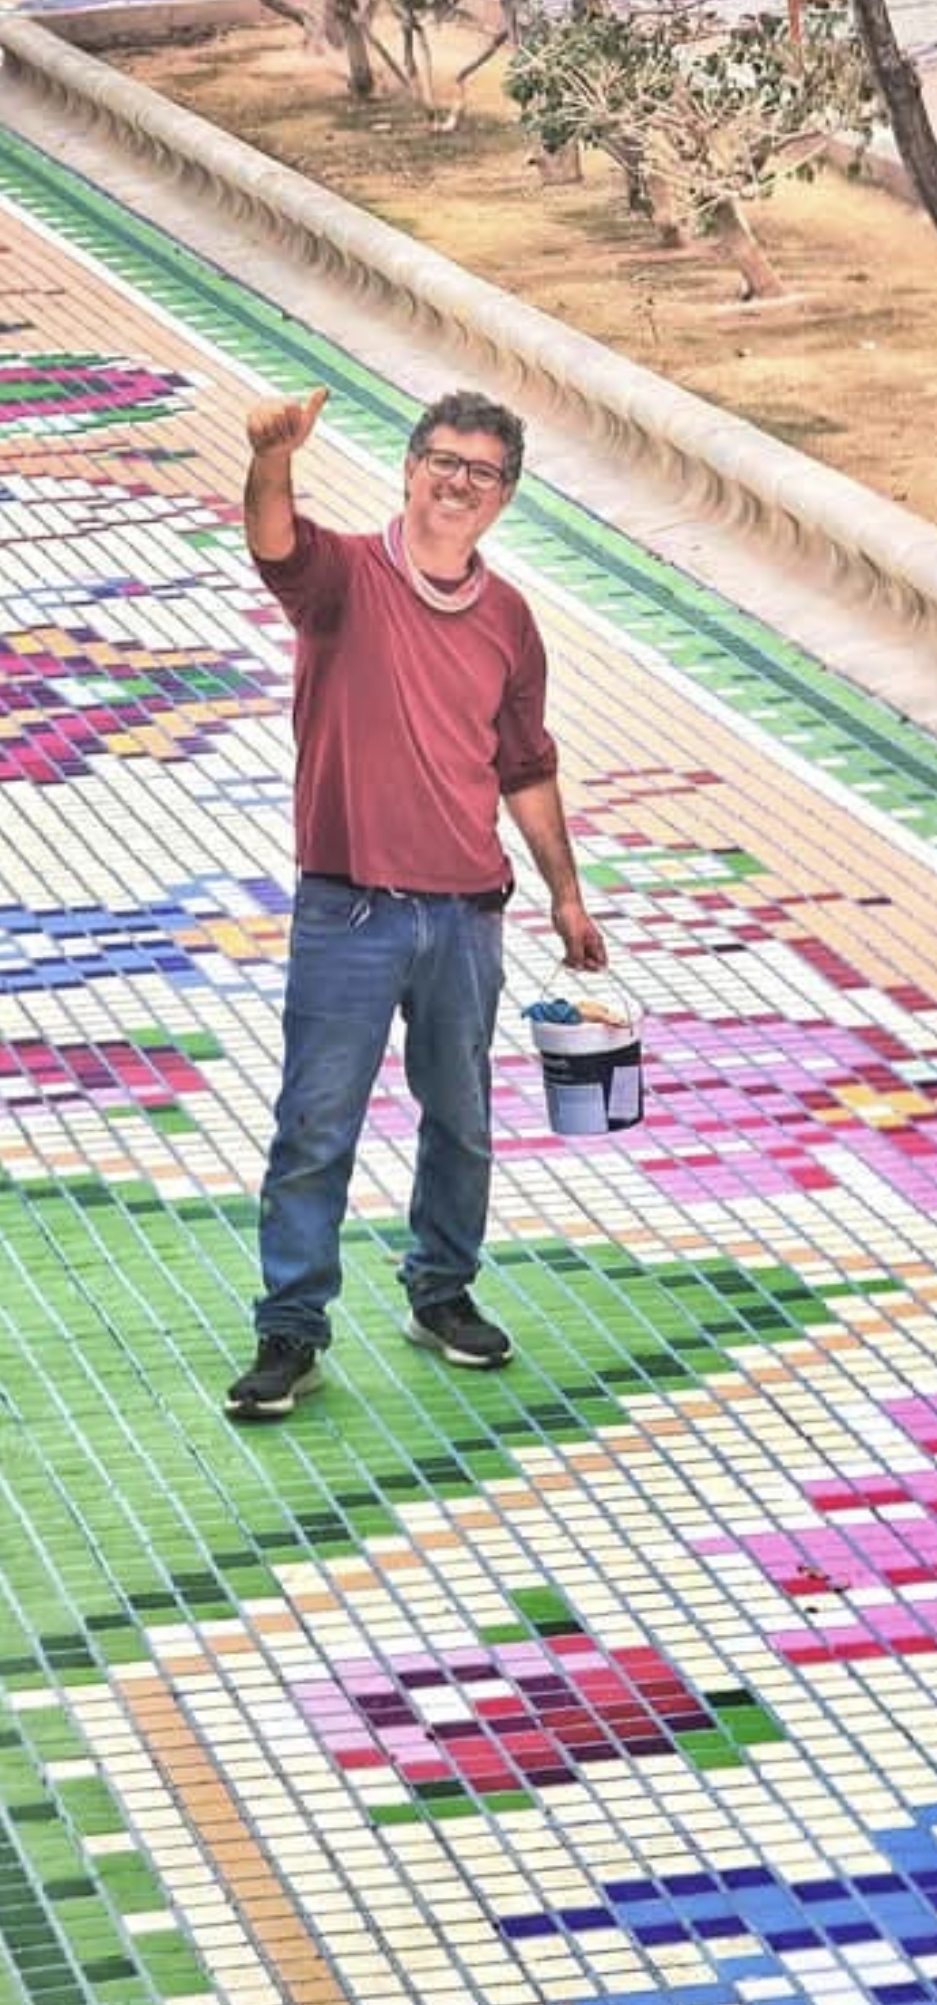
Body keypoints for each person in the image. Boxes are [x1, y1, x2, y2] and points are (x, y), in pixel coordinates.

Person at [226, 384, 607, 1421]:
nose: (458, 483)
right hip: (347, 910)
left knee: (462, 1123)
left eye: (482, 472)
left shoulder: (510, 620)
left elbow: (525, 766)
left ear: (504, 497)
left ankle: (441, 1292)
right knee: (315, 1125)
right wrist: (271, 456)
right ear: (408, 467)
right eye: (443, 460)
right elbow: (273, 540)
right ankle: (291, 1330)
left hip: (466, 917)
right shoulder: (344, 576)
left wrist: (567, 898)